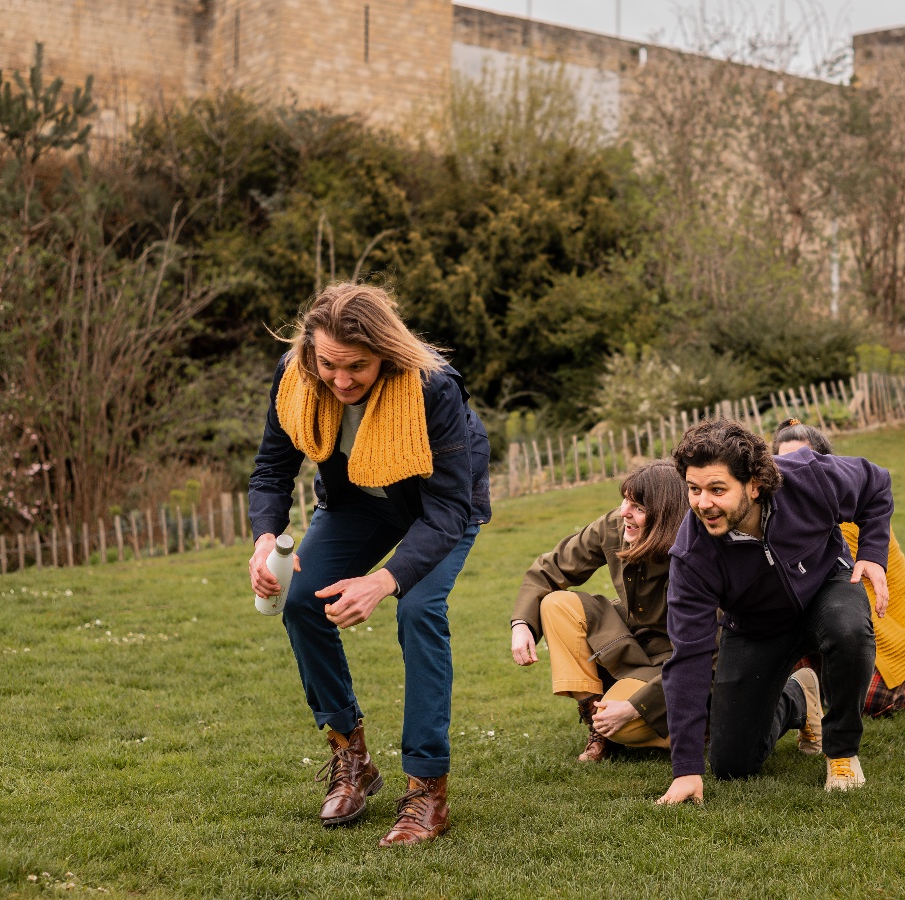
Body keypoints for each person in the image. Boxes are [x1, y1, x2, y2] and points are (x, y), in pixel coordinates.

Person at [247, 282, 491, 846]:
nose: (341, 379)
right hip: (359, 499)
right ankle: (351, 756)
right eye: (329, 364)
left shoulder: (431, 387)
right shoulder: (297, 375)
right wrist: (265, 539)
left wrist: (383, 581)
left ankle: (428, 788)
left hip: (438, 508)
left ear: (386, 352)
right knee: (303, 601)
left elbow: (450, 506)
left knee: (420, 610)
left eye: (357, 366)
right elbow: (271, 470)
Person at [657, 418, 891, 806]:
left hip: (826, 588)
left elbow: (876, 484)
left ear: (754, 483)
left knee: (848, 628)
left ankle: (842, 752)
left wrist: (872, 553)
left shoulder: (809, 477)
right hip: (754, 627)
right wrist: (685, 770)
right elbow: (687, 659)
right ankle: (798, 696)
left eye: (717, 489)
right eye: (694, 490)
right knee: (732, 764)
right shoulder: (691, 556)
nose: (703, 503)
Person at [508, 462, 776, 761]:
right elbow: (550, 569)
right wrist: (522, 624)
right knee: (556, 604)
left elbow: (709, 658)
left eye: (637, 506)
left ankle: (698, 725)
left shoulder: (701, 554)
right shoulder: (616, 526)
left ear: (664, 515)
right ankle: (597, 722)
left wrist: (638, 706)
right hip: (630, 642)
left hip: (678, 663)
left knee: (625, 727)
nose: (624, 512)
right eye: (625, 500)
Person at [771, 420, 905, 718]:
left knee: (867, 702)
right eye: (783, 463)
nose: (792, 474)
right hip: (819, 617)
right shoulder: (775, 514)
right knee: (789, 672)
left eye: (802, 461)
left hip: (885, 618)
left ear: (827, 466)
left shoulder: (851, 517)